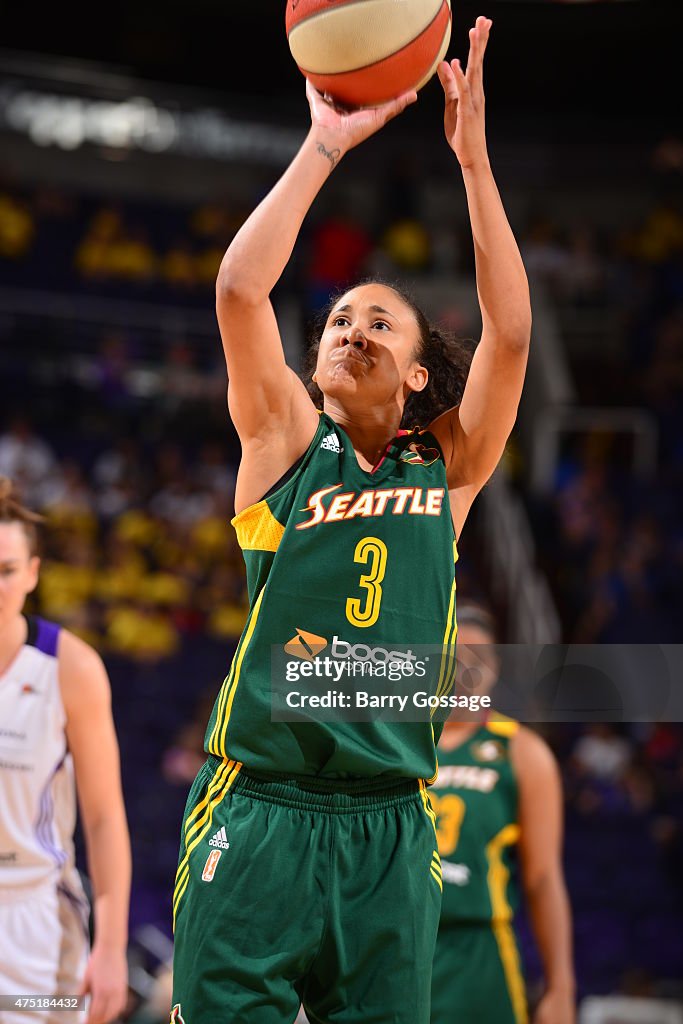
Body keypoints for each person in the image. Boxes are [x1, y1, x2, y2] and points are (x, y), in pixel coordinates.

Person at [172, 16, 532, 1023]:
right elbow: (242, 289)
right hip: (262, 804)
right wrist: (322, 145)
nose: (350, 329)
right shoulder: (283, 441)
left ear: (416, 373)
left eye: (378, 320)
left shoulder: (445, 469)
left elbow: (508, 332)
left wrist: (472, 163)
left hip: (387, 828)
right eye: (338, 319)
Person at [0, 477, 131, 1024]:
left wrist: (111, 948)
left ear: (32, 573)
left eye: (6, 570)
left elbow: (102, 819)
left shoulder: (70, 668)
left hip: (36, 920)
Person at [430, 604, 575, 1024]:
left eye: (479, 658)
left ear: (494, 669)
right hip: (390, 948)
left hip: (477, 952)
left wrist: (560, 987)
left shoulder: (524, 752)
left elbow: (544, 878)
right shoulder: (393, 741)